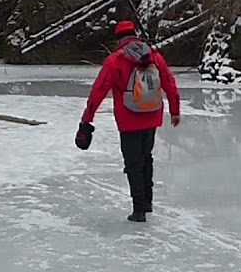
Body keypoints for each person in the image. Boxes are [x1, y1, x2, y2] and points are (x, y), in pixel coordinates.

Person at [77, 20, 181, 222]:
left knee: (133, 163)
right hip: (152, 115)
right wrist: (175, 111)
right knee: (146, 157)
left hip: (128, 120)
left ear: (119, 40)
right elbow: (169, 83)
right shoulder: (154, 56)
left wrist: (86, 120)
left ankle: (139, 209)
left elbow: (98, 92)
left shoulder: (115, 61)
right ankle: (147, 201)